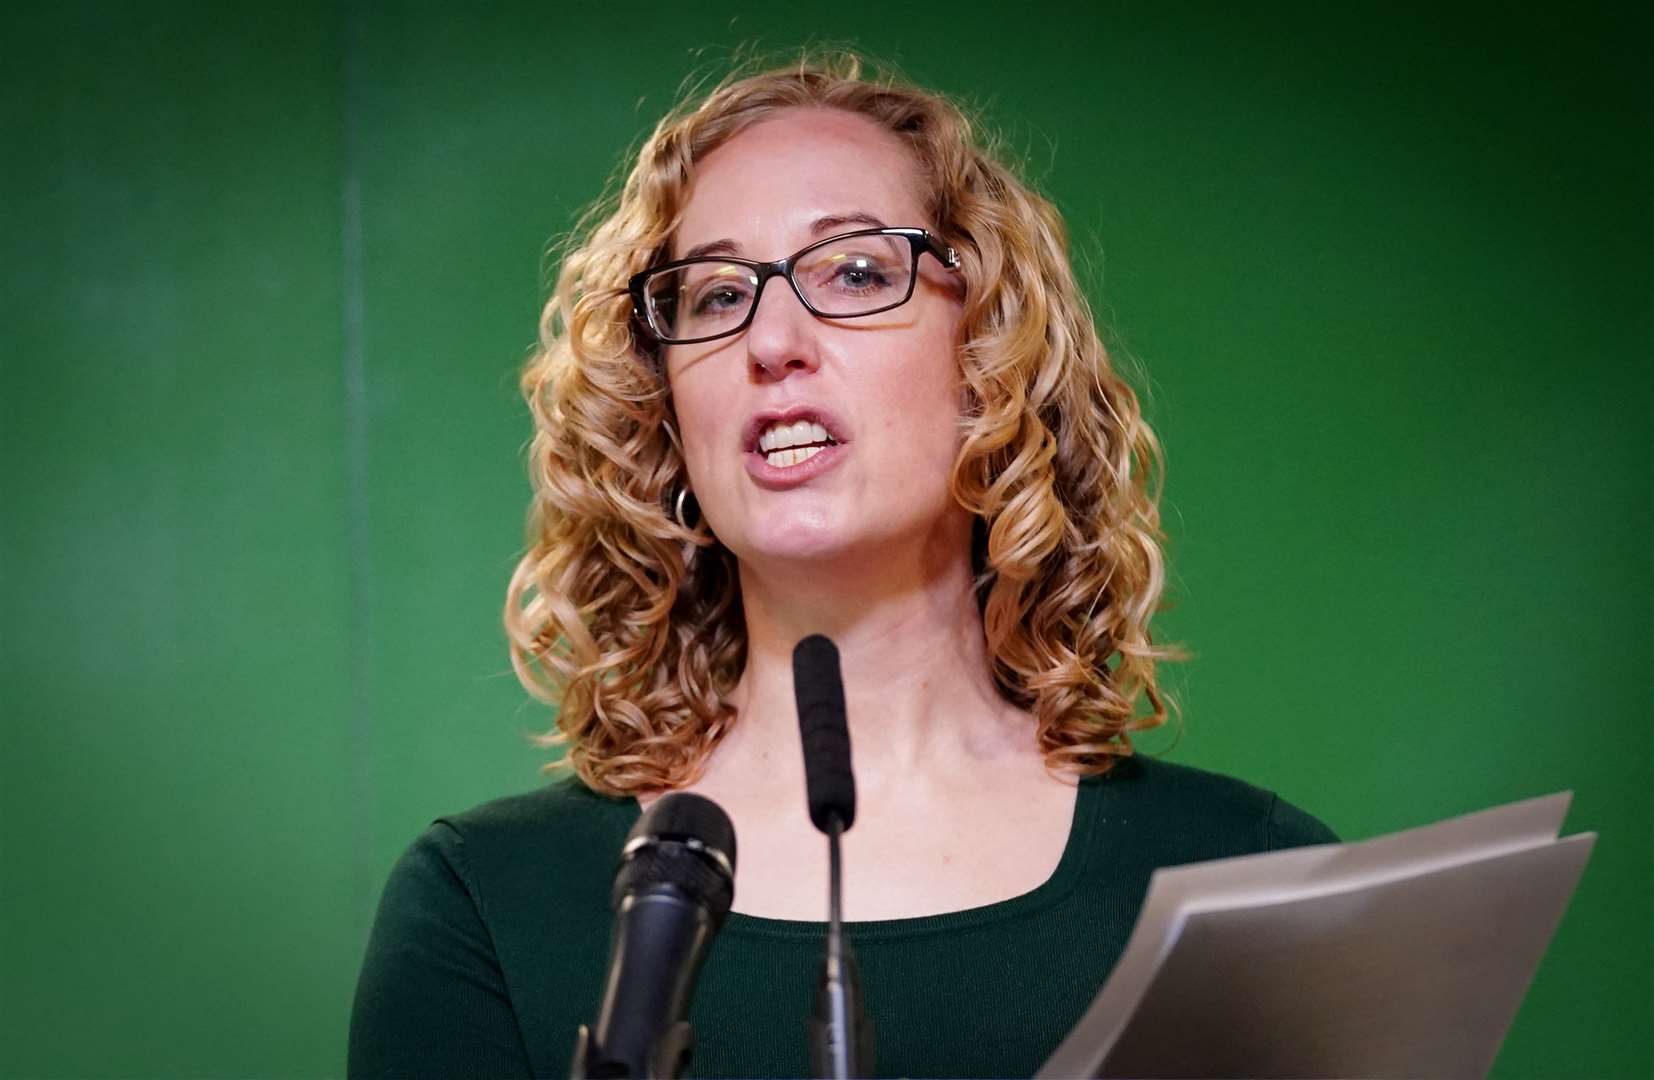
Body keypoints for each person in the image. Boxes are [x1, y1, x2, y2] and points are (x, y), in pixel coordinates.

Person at [348, 53, 1334, 1079]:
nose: (772, 339)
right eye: (715, 294)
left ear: (989, 353)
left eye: (857, 272)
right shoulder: (487, 906)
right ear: (664, 413)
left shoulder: (1250, 878)